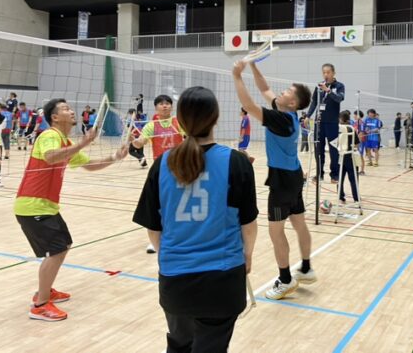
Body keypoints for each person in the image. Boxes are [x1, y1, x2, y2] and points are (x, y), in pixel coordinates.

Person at [133, 87, 258, 353]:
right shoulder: (236, 162)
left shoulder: (162, 163)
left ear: (179, 120)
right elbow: (248, 225)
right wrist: (247, 255)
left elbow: (153, 228)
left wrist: (169, 256)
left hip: (175, 280)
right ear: (216, 118)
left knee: (179, 344)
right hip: (222, 278)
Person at [14, 99, 127, 321]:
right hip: (32, 204)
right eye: (65, 109)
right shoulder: (49, 135)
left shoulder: (65, 142)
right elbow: (50, 156)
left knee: (63, 246)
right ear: (55, 117)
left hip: (46, 205)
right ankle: (40, 305)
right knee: (56, 251)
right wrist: (83, 142)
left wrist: (114, 157)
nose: (72, 111)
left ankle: (45, 290)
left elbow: (89, 165)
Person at [233, 59, 316, 300]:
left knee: (276, 231)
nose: (282, 91)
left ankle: (286, 280)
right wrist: (253, 66)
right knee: (299, 223)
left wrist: (237, 76)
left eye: (288, 91)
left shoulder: (281, 120)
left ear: (293, 103)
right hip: (294, 175)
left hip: (282, 181)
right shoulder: (287, 114)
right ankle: (306, 268)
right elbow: (264, 88)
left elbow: (248, 105)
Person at [133, 95, 185, 253]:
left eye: (168, 103)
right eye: (161, 104)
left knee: (179, 203)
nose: (165, 106)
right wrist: (134, 141)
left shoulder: (179, 122)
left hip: (180, 168)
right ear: (156, 107)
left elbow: (190, 136)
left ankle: (179, 236)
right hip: (160, 169)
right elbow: (140, 142)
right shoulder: (151, 126)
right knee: (159, 204)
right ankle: (155, 239)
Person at [306, 63, 345, 184]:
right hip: (319, 122)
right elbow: (314, 102)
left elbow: (339, 99)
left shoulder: (339, 86)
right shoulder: (319, 86)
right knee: (319, 149)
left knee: (333, 149)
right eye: (324, 72)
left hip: (332, 123)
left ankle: (334, 175)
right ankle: (319, 174)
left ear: (333, 73)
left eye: (328, 72)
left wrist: (328, 90)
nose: (326, 74)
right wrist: (308, 115)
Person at [338, 110, 360, 204]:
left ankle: (341, 198)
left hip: (340, 156)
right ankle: (356, 199)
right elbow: (357, 144)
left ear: (341, 119)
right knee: (353, 179)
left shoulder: (338, 129)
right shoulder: (352, 128)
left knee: (339, 178)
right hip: (350, 156)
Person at [353, 110, 367, 175]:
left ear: (358, 115)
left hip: (360, 142)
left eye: (355, 115)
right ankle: (355, 169)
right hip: (355, 142)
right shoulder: (355, 123)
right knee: (355, 156)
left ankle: (362, 170)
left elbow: (361, 133)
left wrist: (358, 143)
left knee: (360, 156)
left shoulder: (362, 123)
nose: (354, 116)